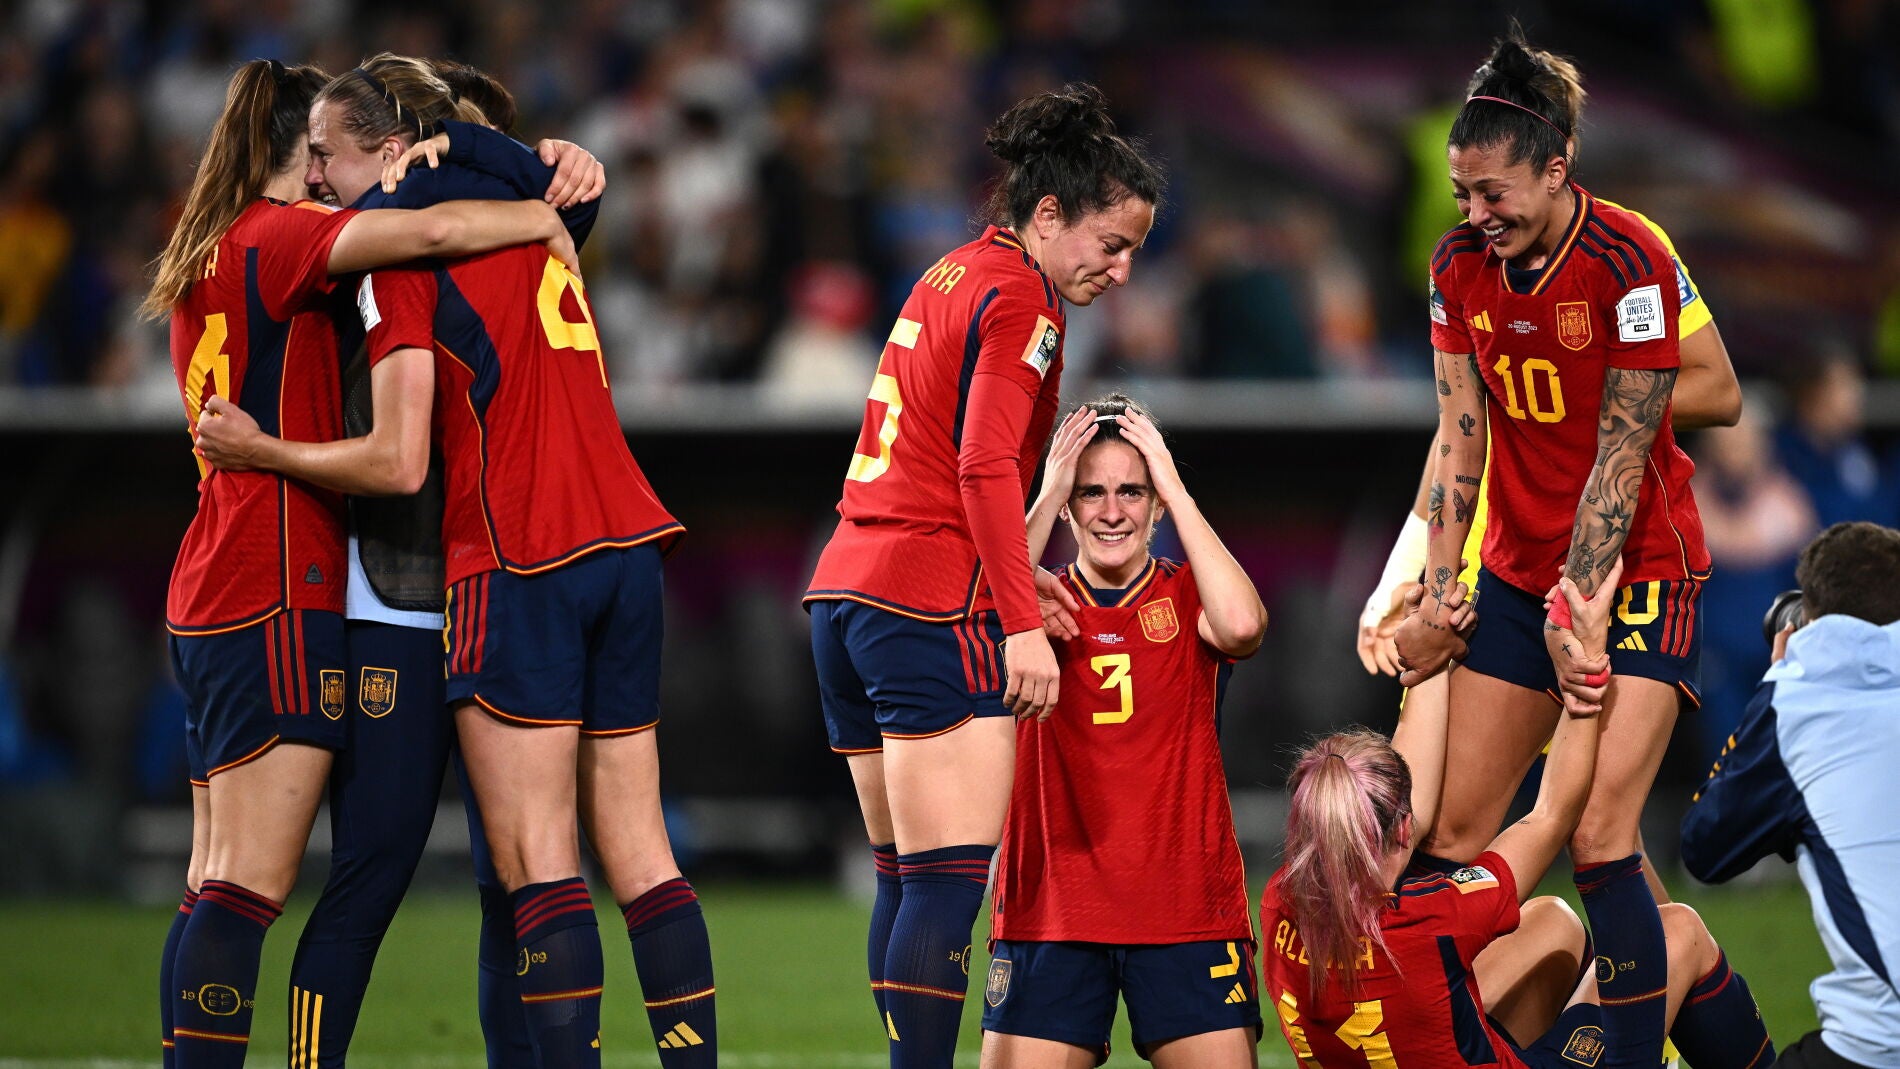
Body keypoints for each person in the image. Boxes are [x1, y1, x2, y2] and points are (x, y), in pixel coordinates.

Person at [193, 57, 702, 1069]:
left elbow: (505, 225)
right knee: (395, 871)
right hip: (415, 587)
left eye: (332, 159)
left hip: (494, 567)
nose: (322, 177)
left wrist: (550, 172)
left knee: (514, 874)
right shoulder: (376, 243)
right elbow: (455, 245)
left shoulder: (426, 242)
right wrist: (535, 181)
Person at [142, 57, 578, 1069]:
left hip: (211, 577)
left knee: (214, 875)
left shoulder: (206, 251)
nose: (333, 174)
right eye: (324, 154)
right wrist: (538, 213)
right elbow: (420, 232)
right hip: (276, 578)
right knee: (249, 886)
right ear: (302, 149)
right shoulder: (281, 238)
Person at [803, 82, 1164, 1069]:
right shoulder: (1024, 297)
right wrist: (1018, 620)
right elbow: (979, 463)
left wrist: (1016, 571)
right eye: (1110, 242)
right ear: (1048, 214)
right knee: (946, 885)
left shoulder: (953, 272)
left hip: (845, 591)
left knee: (902, 875)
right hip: (927, 600)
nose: (1121, 270)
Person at [1392, 29, 1710, 894]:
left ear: (1557, 170)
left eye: (1493, 193)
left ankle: (1663, 1022)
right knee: (1450, 828)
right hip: (1514, 567)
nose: (1474, 214)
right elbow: (1461, 432)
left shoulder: (1629, 256)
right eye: (1462, 193)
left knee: (1601, 835)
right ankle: (1464, 1028)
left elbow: (1624, 447)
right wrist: (1439, 590)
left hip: (1636, 569)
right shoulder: (1456, 264)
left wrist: (1574, 608)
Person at [1266, 561, 1774, 1069]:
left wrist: (1432, 662)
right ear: (1403, 827)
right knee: (1675, 932)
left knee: (1550, 923)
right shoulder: (1434, 919)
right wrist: (1586, 670)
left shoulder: (1280, 902)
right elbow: (1550, 814)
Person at [980, 396, 1267, 1069]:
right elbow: (979, 612)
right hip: (1053, 907)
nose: (1112, 511)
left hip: (1184, 905)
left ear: (1158, 503)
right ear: (1072, 507)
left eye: (1133, 491)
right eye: (1092, 492)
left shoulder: (1188, 595)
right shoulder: (1034, 604)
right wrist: (1047, 488)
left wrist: (1173, 481)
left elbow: (1244, 626)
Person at [1682, 521, 1900, 1069]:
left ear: (1812, 615)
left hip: (1879, 1045)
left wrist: (1781, 678)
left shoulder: (1798, 704)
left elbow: (1705, 849)